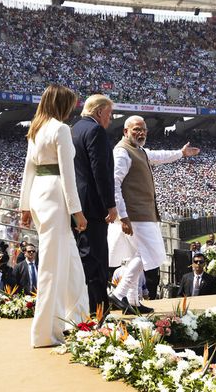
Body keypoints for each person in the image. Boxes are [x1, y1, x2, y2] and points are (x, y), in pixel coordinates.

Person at [19, 84, 89, 348]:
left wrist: (25, 206)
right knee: (51, 266)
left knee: (71, 261)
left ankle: (79, 319)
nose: (72, 109)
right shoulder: (60, 129)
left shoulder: (36, 129)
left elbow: (29, 170)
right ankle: (45, 333)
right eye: (70, 104)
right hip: (56, 196)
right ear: (62, 104)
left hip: (39, 194)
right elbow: (68, 175)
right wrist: (77, 212)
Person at [108, 115, 200, 307]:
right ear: (126, 131)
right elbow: (114, 184)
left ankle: (133, 302)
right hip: (135, 214)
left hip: (141, 213)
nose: (141, 133)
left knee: (137, 256)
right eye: (136, 130)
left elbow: (159, 156)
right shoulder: (122, 152)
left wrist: (180, 153)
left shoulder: (139, 150)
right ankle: (119, 293)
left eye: (143, 130)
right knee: (153, 253)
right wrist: (123, 216)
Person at [71, 94, 118, 314]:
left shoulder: (75, 129)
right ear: (99, 112)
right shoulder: (95, 131)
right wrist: (110, 204)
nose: (111, 119)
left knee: (88, 253)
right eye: (109, 114)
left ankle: (97, 306)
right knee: (95, 257)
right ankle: (96, 308)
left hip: (78, 202)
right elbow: (101, 171)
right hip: (93, 204)